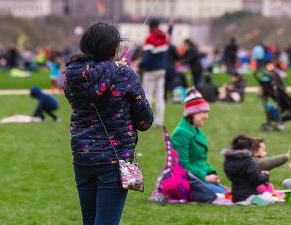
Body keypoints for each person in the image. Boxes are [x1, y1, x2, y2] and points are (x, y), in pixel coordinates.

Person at [64, 22, 153, 225]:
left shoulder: (72, 76)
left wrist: (113, 69)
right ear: (112, 48)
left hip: (82, 157)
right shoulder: (124, 74)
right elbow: (145, 121)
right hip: (113, 160)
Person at [170, 88, 227, 203]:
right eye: (203, 112)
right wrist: (205, 177)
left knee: (227, 192)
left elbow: (200, 161)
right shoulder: (181, 133)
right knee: (222, 195)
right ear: (191, 113)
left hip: (197, 178)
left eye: (207, 112)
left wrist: (211, 173)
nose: (206, 116)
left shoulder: (196, 129)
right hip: (187, 181)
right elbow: (181, 166)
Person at [222, 134, 273, 203]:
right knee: (268, 197)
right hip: (250, 196)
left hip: (236, 197)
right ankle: (256, 202)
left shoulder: (228, 160)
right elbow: (255, 180)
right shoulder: (248, 161)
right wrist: (265, 175)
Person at [140, 19, 169, 128]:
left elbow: (147, 57)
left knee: (148, 95)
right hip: (161, 70)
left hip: (151, 71)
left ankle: (147, 120)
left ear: (150, 27)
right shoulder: (164, 37)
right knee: (160, 96)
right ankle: (159, 122)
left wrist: (140, 65)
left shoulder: (150, 38)